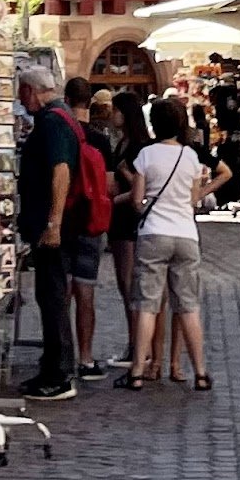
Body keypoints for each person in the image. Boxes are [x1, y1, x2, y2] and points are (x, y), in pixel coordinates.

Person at [116, 97, 213, 392]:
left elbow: (136, 199)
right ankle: (200, 372)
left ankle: (137, 370)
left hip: (154, 233)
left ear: (154, 124)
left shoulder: (146, 154)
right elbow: (194, 200)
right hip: (186, 234)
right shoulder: (191, 157)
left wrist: (143, 201)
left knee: (147, 304)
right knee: (188, 306)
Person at [15, 60, 81, 399]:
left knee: (53, 296)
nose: (20, 99)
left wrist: (53, 223)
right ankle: (52, 366)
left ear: (30, 91)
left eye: (21, 92)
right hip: (50, 224)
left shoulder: (53, 123)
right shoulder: (58, 118)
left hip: (53, 226)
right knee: (50, 296)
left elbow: (61, 172)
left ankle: (59, 374)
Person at [60, 75, 109, 378]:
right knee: (86, 292)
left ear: (67, 100)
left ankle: (62, 353)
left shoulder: (63, 132)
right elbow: (111, 186)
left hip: (65, 220)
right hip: (91, 223)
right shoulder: (101, 140)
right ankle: (87, 357)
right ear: (89, 102)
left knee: (61, 292)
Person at [103, 89, 149, 341]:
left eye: (116, 110)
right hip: (119, 220)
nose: (112, 115)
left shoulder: (140, 147)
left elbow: (140, 190)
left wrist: (110, 201)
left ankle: (137, 345)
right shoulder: (123, 142)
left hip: (130, 218)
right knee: (125, 284)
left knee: (130, 284)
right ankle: (134, 342)